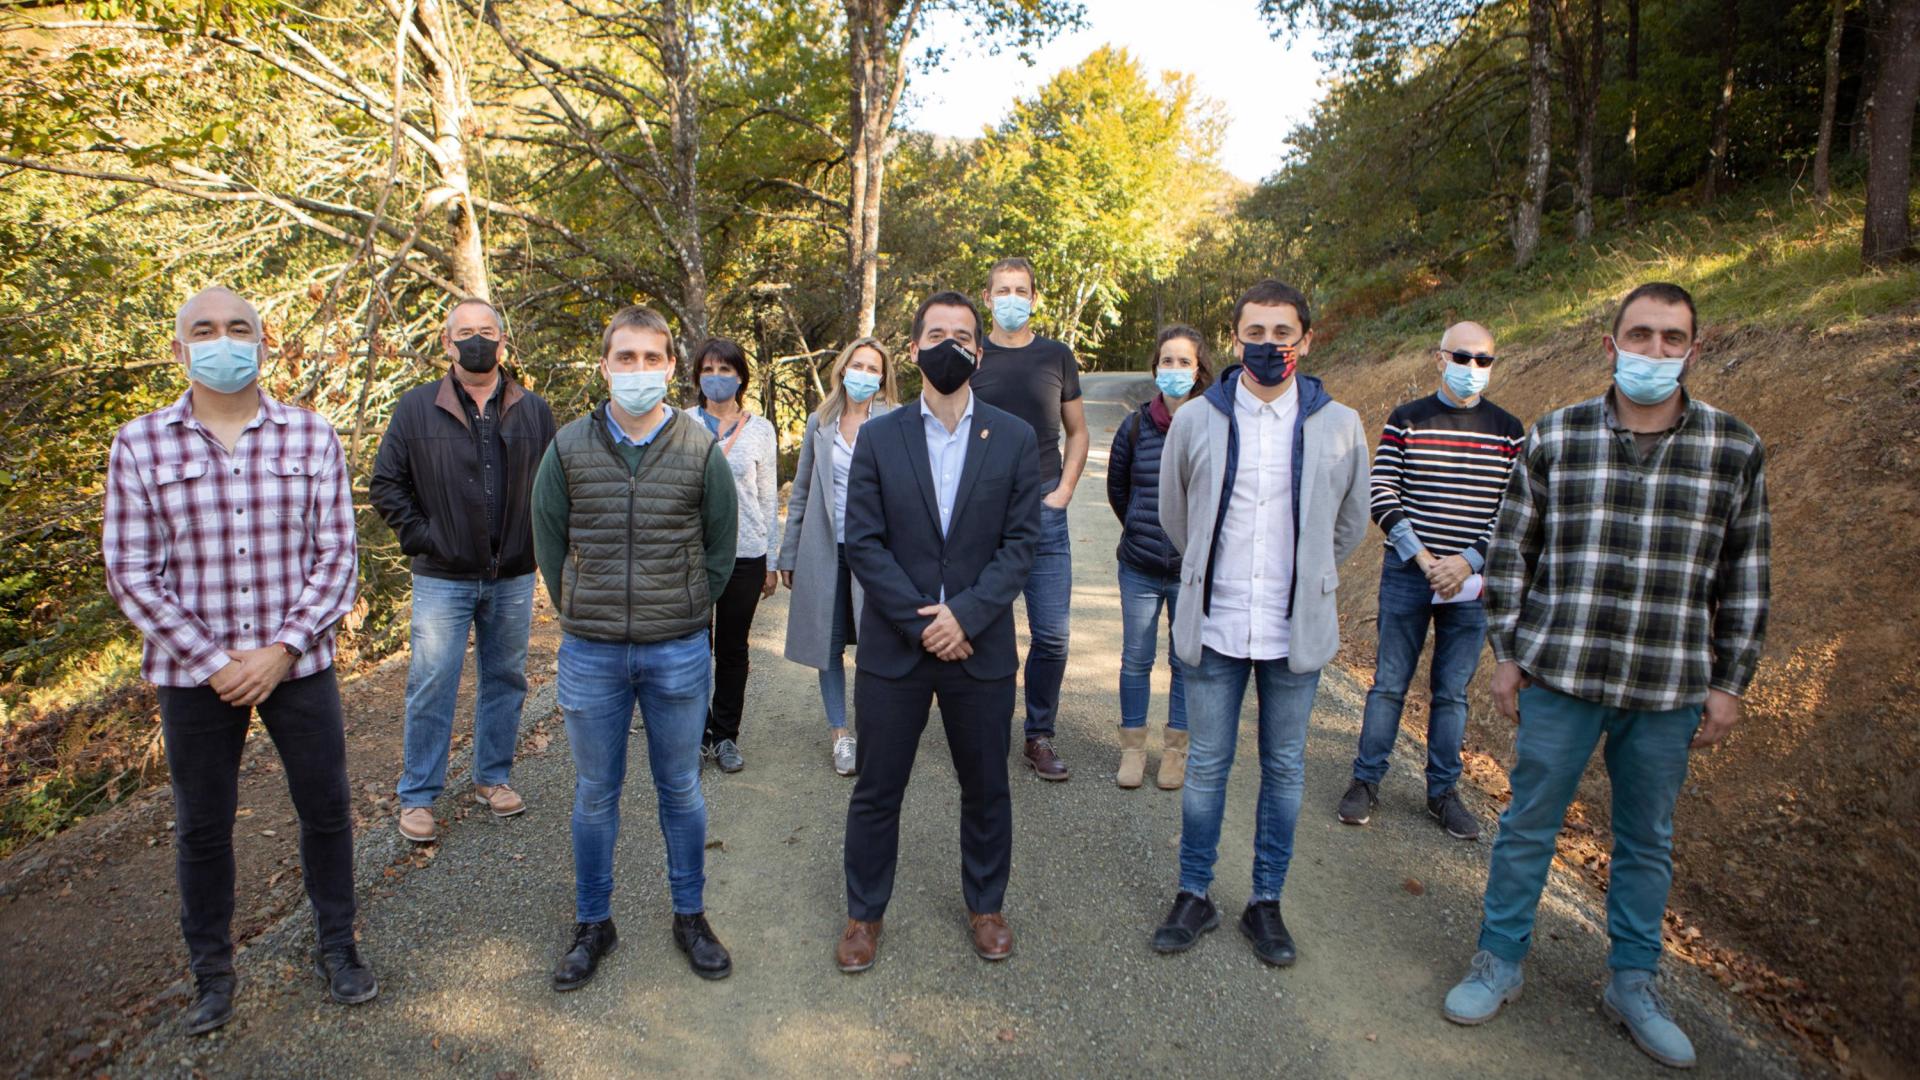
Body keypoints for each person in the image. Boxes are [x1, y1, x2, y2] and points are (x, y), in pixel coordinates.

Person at [1442, 283, 1770, 1070]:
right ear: (1611, 344)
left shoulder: (1733, 447)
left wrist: (1730, 681)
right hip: (1563, 673)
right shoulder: (1557, 436)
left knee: (1646, 841)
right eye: (1640, 335)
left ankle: (1632, 983)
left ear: (1694, 349)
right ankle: (1498, 960)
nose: (1655, 351)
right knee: (1528, 823)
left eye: (1671, 338)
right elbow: (1512, 552)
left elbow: (1746, 573)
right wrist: (1508, 655)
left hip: (1667, 685)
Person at [104, 286, 374, 1036]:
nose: (221, 341)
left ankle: (338, 946)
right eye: (204, 330)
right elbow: (131, 573)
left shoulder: (311, 436)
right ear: (179, 349)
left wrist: (281, 650)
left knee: (326, 809)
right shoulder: (139, 444)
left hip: (298, 663)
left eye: (236, 328)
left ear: (263, 342)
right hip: (194, 675)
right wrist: (216, 663)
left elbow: (338, 557)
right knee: (202, 825)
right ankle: (213, 976)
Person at [1149, 279, 1371, 967]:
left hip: (1292, 630)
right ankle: (1194, 893)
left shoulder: (1341, 425)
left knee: (1284, 769)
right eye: (1255, 333)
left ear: (1306, 339)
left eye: (1282, 333)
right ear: (1235, 338)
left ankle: (1265, 901)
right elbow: (1174, 513)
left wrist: (1309, 573)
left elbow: (1350, 522)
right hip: (1216, 624)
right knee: (1206, 766)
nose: (1269, 345)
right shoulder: (1196, 420)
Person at [530, 305, 739, 988]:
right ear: (605, 366)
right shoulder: (567, 447)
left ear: (671, 367)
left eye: (652, 358)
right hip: (591, 654)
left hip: (677, 650)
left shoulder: (699, 448)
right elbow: (550, 541)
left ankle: (690, 916)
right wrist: (582, 605)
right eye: (626, 357)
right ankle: (594, 922)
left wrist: (687, 606)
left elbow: (720, 545)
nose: (638, 370)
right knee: (595, 793)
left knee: (680, 787)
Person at [835, 291, 1042, 973]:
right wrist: (925, 620)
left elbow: (1021, 544)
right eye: (935, 334)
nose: (948, 345)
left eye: (961, 336)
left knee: (985, 787)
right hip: (897, 648)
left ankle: (987, 906)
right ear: (914, 349)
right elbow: (864, 542)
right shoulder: (879, 436)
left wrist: (967, 615)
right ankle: (864, 914)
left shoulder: (1013, 437)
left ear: (978, 353)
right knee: (877, 789)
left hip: (979, 648)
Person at [371, 298, 556, 843]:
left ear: (503, 341)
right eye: (466, 332)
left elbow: (554, 487)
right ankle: (418, 795)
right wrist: (426, 538)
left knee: (506, 678)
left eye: (487, 331)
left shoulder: (534, 410)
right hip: (442, 576)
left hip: (514, 573)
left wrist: (537, 544)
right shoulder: (416, 408)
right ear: (447, 343)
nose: (478, 340)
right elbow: (386, 484)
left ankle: (492, 778)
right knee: (433, 682)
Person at [1336, 321, 1523, 839]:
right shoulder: (1407, 419)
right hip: (1408, 573)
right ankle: (1365, 780)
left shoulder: (1509, 431)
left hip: (1471, 583)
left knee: (1452, 693)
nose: (1472, 368)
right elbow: (1382, 492)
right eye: (1462, 357)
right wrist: (1424, 560)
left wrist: (1468, 561)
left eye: (1483, 360)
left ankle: (1443, 792)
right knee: (1389, 683)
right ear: (1440, 358)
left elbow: (1514, 509)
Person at [970, 256, 1088, 781]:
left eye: (1021, 290)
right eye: (1003, 290)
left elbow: (1078, 431)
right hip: (982, 512)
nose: (1012, 299)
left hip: (1043, 507)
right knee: (982, 626)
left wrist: (1064, 490)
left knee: (1053, 635)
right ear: (987, 298)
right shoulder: (972, 355)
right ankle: (983, 728)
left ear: (1035, 299)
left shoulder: (1056, 356)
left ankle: (1039, 734)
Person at [777, 337, 900, 776]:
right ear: (843, 369)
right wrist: (788, 553)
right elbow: (802, 490)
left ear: (882, 378)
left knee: (874, 642)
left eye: (873, 368)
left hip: (876, 551)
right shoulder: (820, 421)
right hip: (825, 548)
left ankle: (874, 727)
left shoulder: (894, 420)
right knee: (828, 644)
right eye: (857, 365)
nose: (864, 374)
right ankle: (840, 733)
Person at [1105, 326, 1213, 790]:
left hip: (1192, 571)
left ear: (1198, 370)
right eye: (1167, 361)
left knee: (1186, 661)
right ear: (1155, 369)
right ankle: (1133, 749)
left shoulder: (1214, 425)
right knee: (1136, 658)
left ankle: (1175, 752)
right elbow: (1118, 489)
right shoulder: (1134, 427)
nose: (1174, 369)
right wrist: (1141, 528)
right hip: (1140, 567)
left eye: (1184, 362)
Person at [687, 337, 779, 774]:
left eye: (725, 370)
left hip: (745, 554)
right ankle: (696, 734)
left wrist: (771, 562)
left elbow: (767, 498)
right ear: (697, 376)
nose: (716, 378)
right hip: (691, 555)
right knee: (691, 648)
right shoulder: (679, 423)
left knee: (732, 649)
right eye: (708, 370)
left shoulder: (761, 430)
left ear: (741, 376)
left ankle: (725, 736)